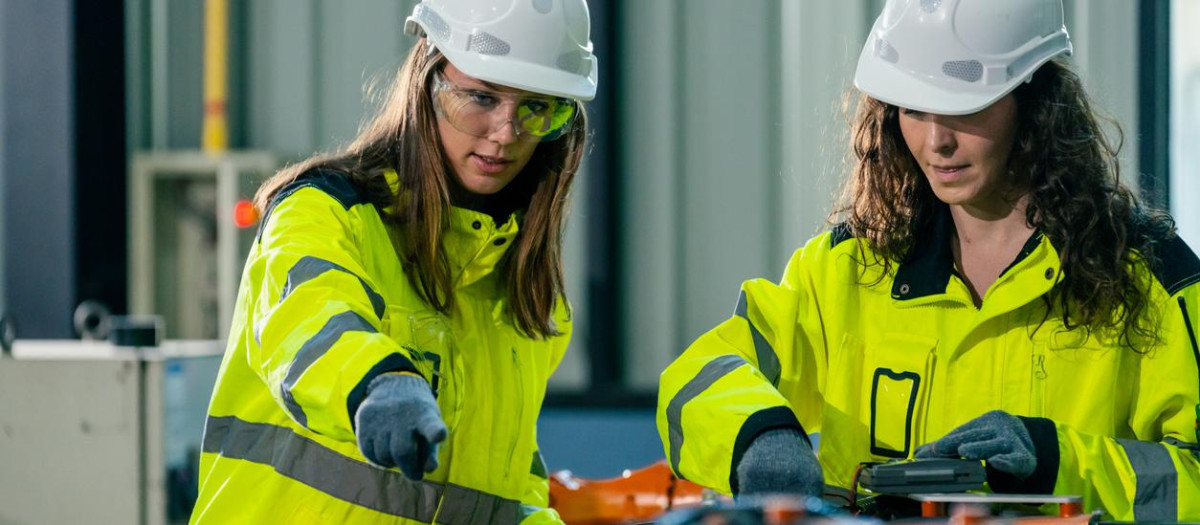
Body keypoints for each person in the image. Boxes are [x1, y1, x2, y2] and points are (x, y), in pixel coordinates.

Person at [656, 0, 1200, 520]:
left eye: (965, 107)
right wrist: (763, 441)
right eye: (914, 108)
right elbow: (699, 378)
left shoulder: (1153, 282)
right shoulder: (846, 269)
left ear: (1035, 102)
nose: (936, 141)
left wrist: (1060, 461)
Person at [192, 0, 597, 522]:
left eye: (537, 107)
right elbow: (308, 317)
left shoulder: (527, 299)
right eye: (481, 97)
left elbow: (504, 493)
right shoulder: (325, 212)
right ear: (426, 82)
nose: (505, 132)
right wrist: (378, 381)